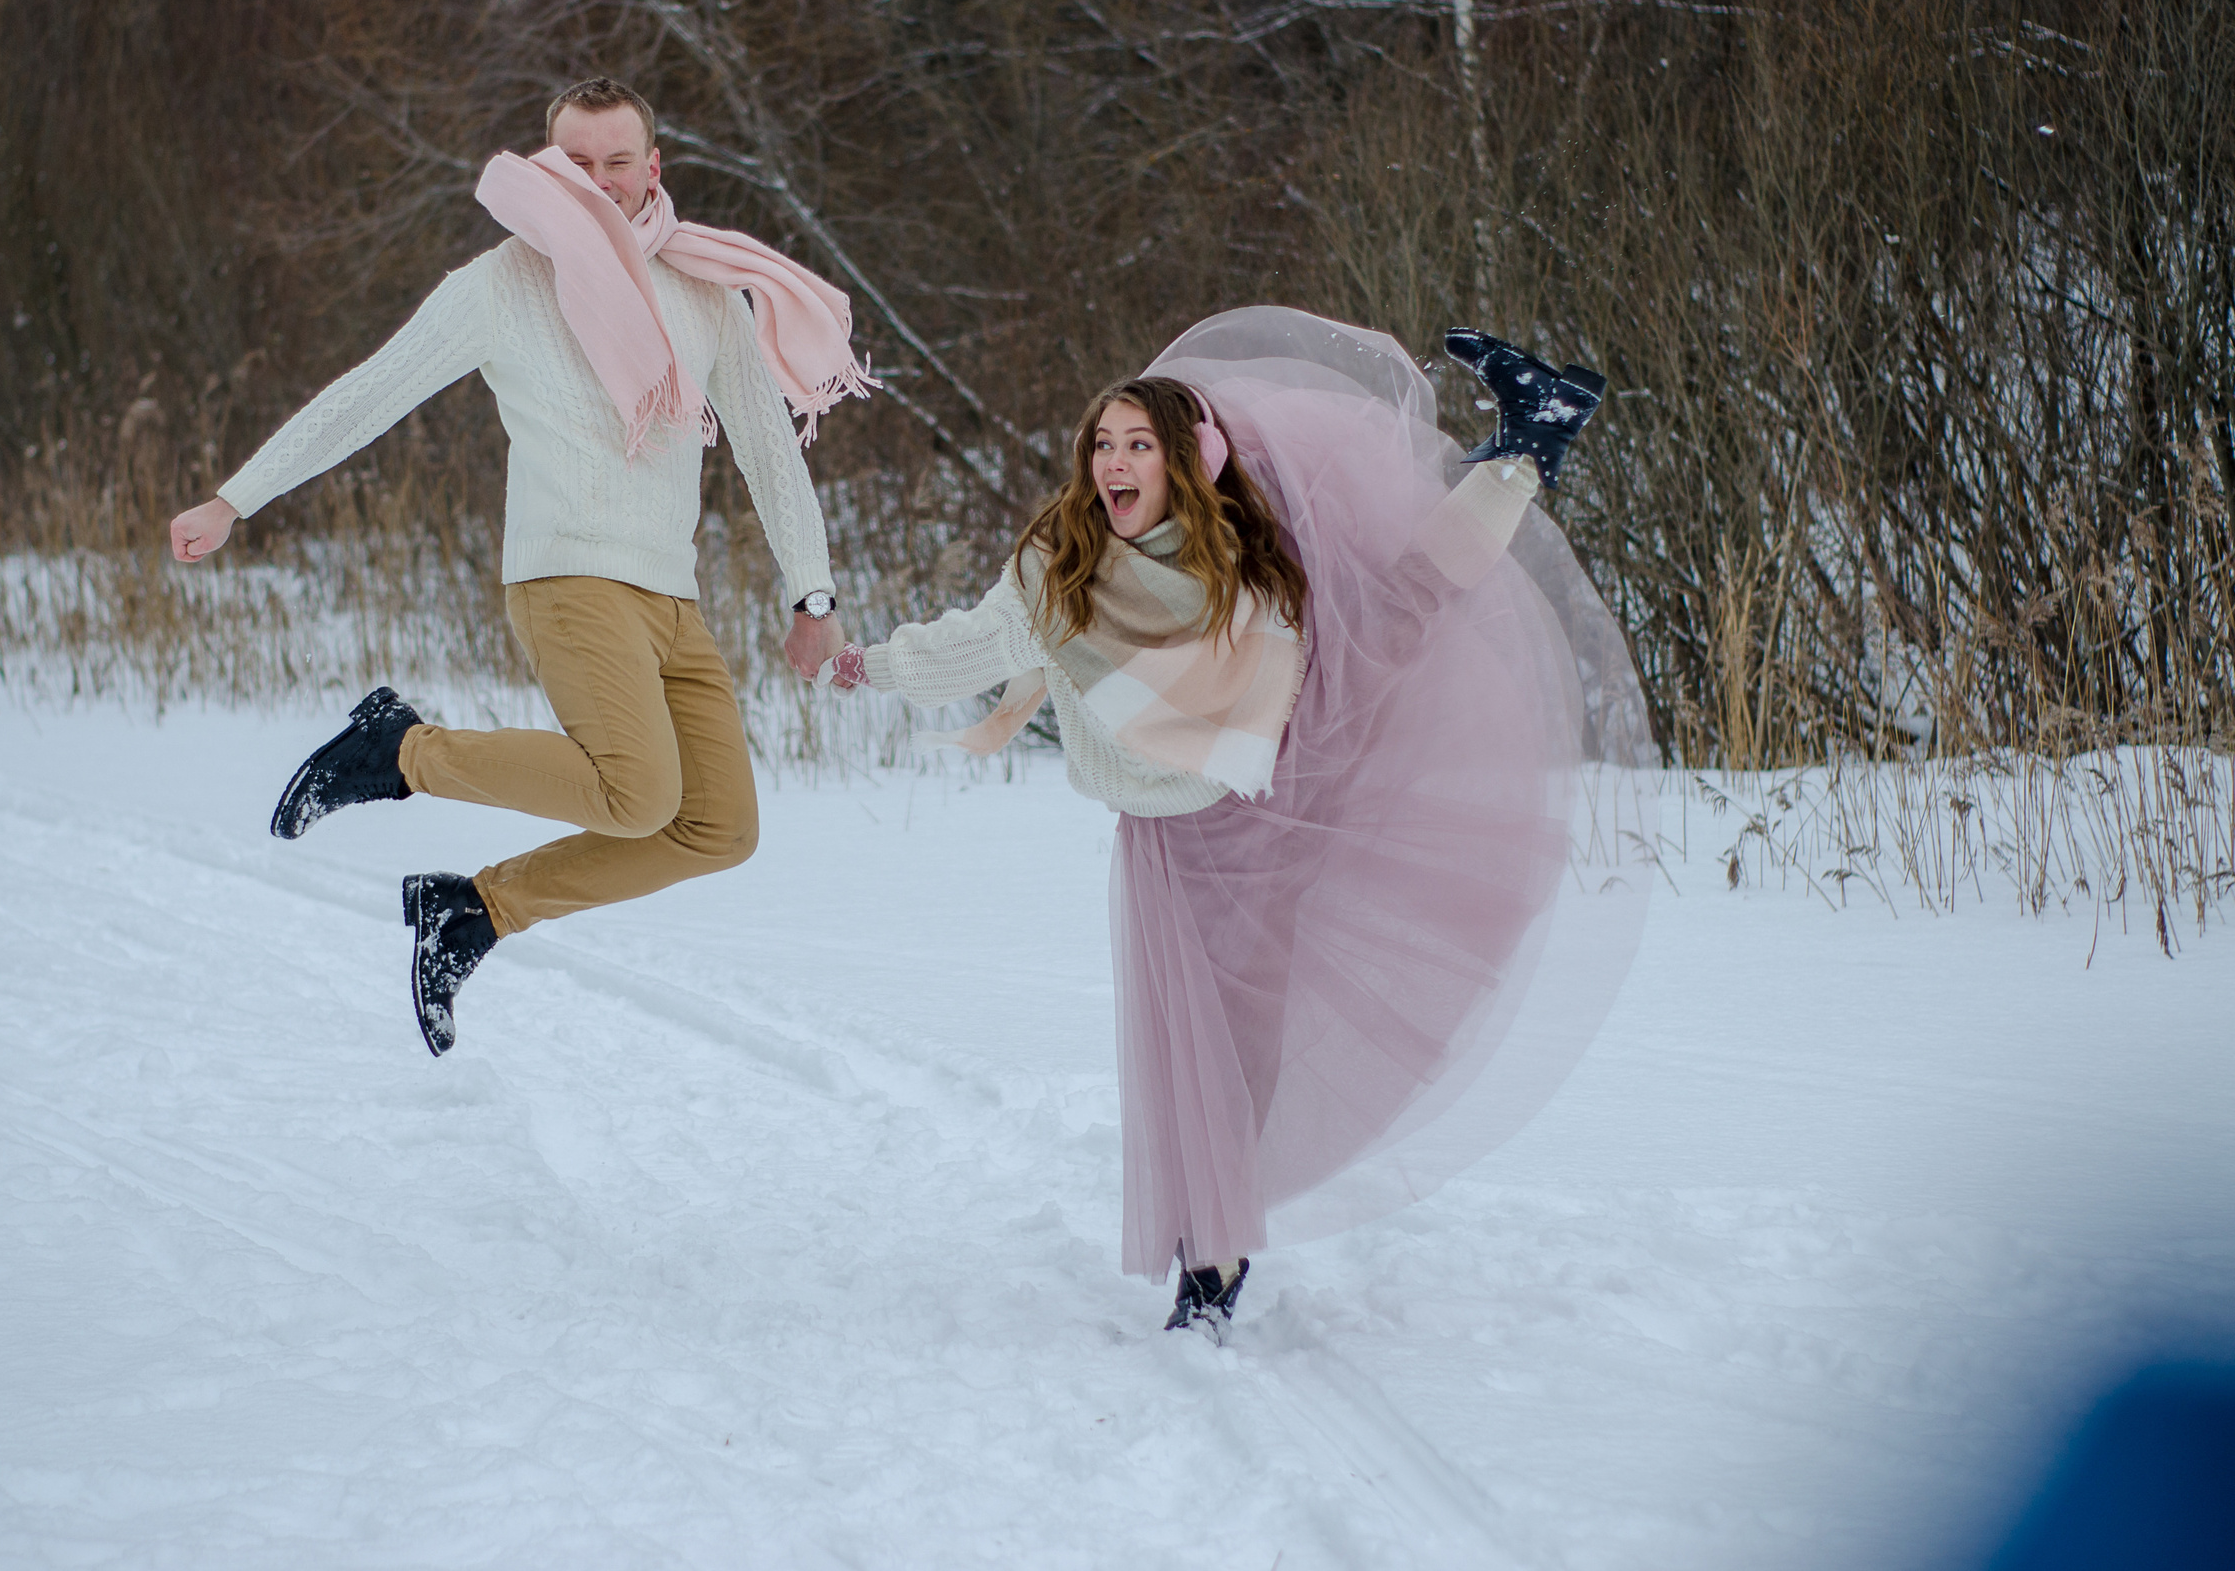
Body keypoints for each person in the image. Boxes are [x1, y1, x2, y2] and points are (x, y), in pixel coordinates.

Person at [823, 308, 1651, 1339]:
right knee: (1194, 1041)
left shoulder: (1250, 562)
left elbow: (1346, 616)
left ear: (1187, 462)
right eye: (1101, 444)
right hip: (1175, 833)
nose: (1113, 461)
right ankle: (1526, 445)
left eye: (1140, 445)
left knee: (1228, 1036)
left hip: (1278, 793)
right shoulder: (1060, 563)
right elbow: (972, 642)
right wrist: (863, 665)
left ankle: (1215, 1253)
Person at [167, 77, 873, 1056]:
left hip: (671, 596)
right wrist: (234, 497)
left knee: (716, 827)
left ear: (651, 167)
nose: (596, 180)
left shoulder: (705, 291)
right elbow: (371, 392)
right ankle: (398, 751)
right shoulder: (501, 283)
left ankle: (474, 912)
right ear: (547, 169)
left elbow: (768, 447)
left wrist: (813, 595)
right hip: (568, 577)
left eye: (616, 160)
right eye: (573, 163)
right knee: (635, 795)